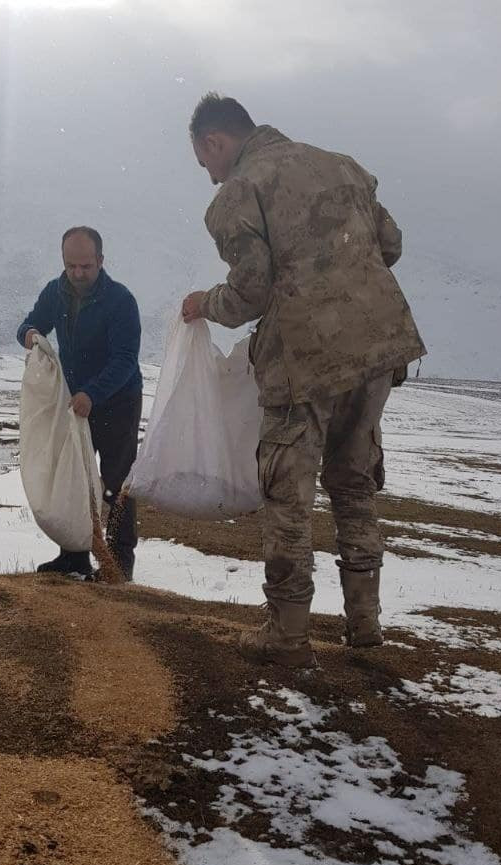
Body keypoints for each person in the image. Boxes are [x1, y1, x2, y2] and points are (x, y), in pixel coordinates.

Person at [182, 94, 426, 668]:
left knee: (288, 496)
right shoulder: (343, 166)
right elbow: (391, 244)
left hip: (304, 362)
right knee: (355, 484)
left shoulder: (239, 193)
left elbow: (251, 292)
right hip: (374, 349)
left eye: (205, 164)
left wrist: (203, 303)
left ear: (216, 142)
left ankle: (287, 634)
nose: (210, 176)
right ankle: (365, 627)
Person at [17, 226, 142, 581]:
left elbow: (125, 359)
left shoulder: (121, 301)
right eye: (71, 266)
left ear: (101, 261)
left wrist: (93, 393)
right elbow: (30, 323)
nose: (78, 274)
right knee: (73, 476)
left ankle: (119, 564)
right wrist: (28, 334)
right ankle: (73, 555)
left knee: (117, 483)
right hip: (74, 404)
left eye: (86, 266)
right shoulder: (54, 293)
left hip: (118, 401)